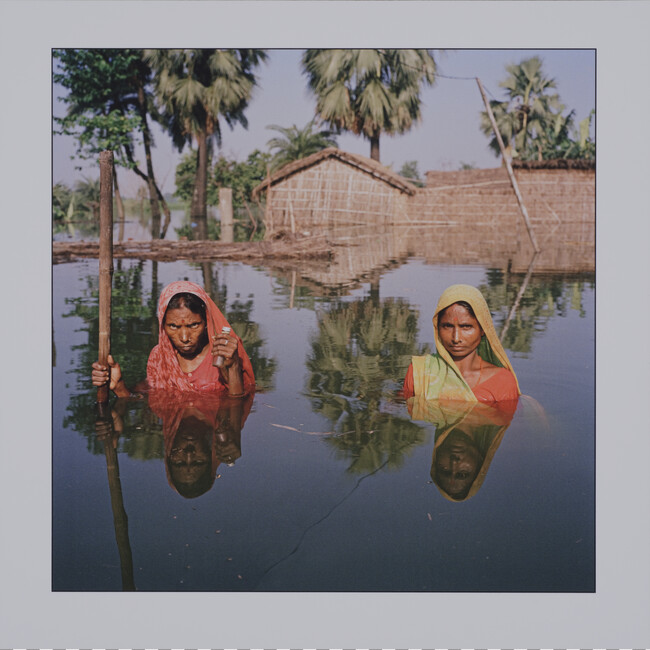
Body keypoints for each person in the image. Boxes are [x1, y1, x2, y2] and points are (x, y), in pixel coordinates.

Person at [91, 280, 255, 398]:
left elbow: (237, 406)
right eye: (174, 327)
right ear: (162, 325)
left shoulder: (224, 352)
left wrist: (233, 367)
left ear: (206, 321)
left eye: (194, 325)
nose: (184, 338)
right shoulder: (160, 356)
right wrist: (119, 386)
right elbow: (143, 397)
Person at [402, 284, 519, 403]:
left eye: (466, 327)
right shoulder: (419, 372)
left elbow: (509, 420)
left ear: (483, 329)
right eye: (447, 326)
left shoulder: (502, 381)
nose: (456, 338)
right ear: (437, 328)